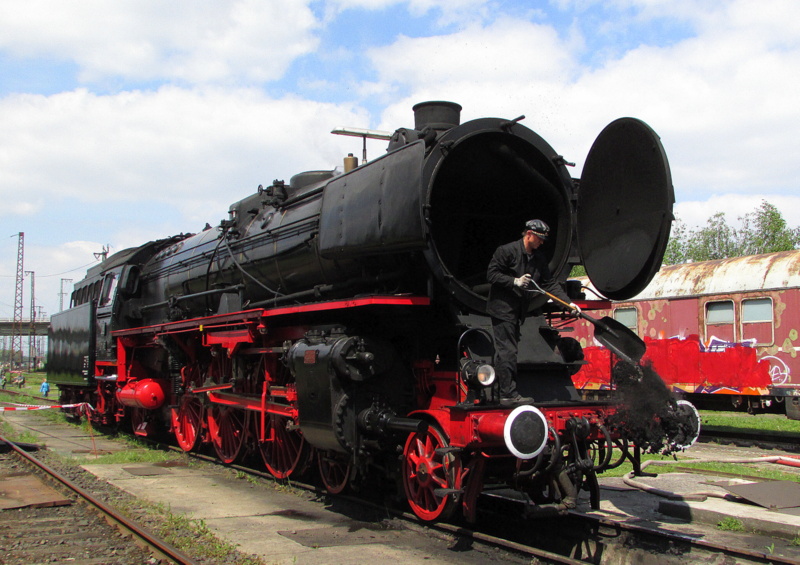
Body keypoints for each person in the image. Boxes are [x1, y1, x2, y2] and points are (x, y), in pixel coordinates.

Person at [487, 219, 580, 407]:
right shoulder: (506, 251)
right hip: (502, 309)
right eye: (539, 238)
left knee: (508, 351)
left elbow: (550, 284)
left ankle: (501, 391)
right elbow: (492, 274)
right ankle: (507, 394)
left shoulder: (539, 258)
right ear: (529, 234)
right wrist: (514, 281)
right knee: (508, 351)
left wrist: (568, 304)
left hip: (518, 311)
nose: (542, 242)